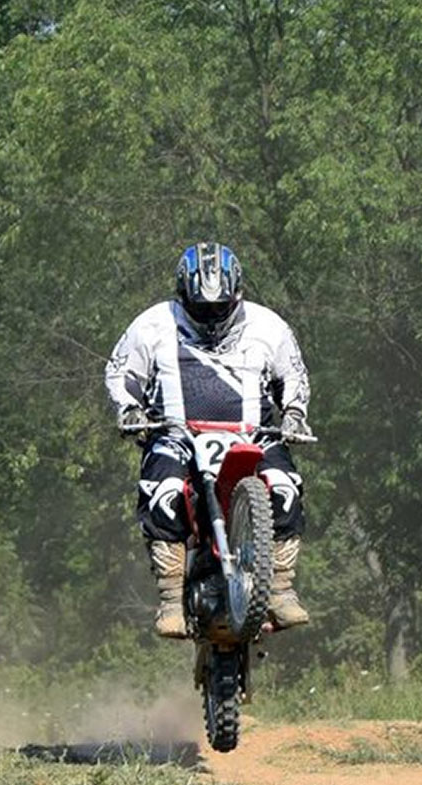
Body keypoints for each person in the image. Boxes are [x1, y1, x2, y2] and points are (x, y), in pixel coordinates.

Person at [104, 241, 313, 639]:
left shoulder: (269, 326)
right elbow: (121, 374)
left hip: (254, 432)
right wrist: (129, 409)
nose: (213, 316)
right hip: (176, 433)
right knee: (163, 490)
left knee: (285, 487)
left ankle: (282, 587)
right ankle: (170, 598)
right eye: (202, 308)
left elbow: (294, 376)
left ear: (238, 295)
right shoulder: (151, 325)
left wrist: (295, 414)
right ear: (183, 296)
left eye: (221, 307)